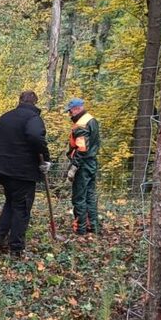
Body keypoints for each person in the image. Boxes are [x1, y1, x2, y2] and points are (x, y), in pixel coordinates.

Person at [0, 90, 50, 256]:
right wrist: (45, 159)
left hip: (1, 168)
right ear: (35, 102)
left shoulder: (5, 117)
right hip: (21, 171)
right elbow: (35, 136)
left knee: (12, 201)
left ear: (20, 100)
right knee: (22, 207)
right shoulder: (33, 118)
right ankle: (16, 248)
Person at [64, 97, 101, 234]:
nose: (70, 114)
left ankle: (80, 229)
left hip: (83, 165)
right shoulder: (92, 120)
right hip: (92, 162)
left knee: (79, 197)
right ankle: (93, 226)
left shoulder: (81, 125)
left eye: (70, 111)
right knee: (90, 195)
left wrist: (74, 167)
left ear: (76, 109)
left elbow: (81, 148)